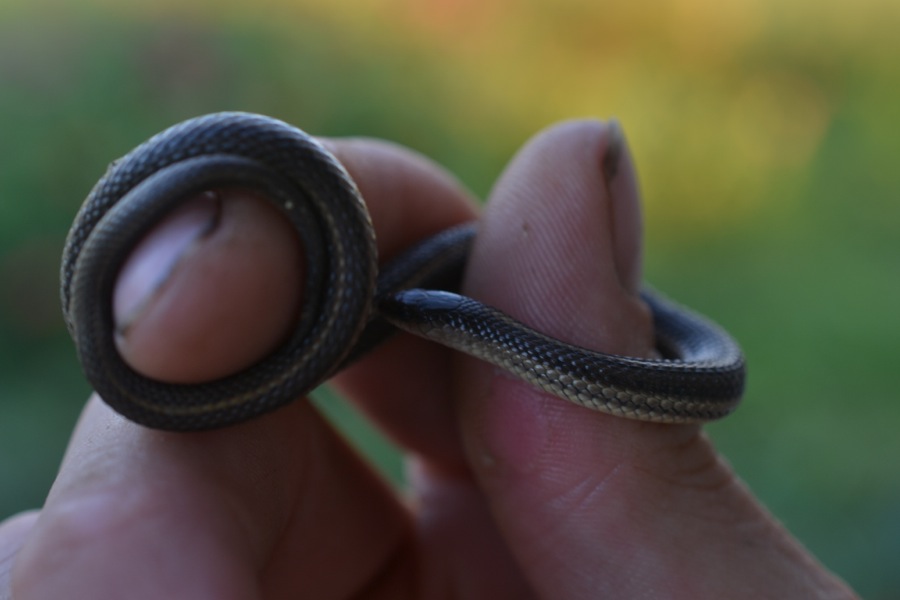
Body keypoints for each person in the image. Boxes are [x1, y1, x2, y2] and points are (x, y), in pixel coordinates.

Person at [0, 121, 857, 598]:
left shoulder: (535, 351)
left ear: (463, 324)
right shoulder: (481, 331)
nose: (395, 315)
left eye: (411, 311)